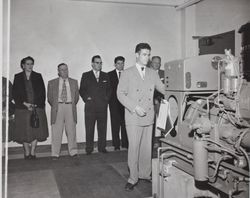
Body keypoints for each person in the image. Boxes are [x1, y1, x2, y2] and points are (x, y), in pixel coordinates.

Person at [117, 43, 165, 191]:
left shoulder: (152, 73)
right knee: (134, 148)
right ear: (137, 55)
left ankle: (145, 174)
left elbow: (163, 89)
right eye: (144, 54)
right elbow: (120, 94)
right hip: (133, 116)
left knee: (146, 148)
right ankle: (133, 178)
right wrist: (134, 107)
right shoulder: (127, 73)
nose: (147, 57)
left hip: (149, 116)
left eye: (148, 54)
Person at [12, 56, 48, 159]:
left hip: (36, 108)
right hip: (22, 108)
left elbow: (42, 92)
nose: (30, 66)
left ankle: (32, 152)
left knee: (35, 130)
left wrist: (35, 105)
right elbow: (15, 93)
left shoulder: (38, 76)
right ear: (23, 65)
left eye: (31, 63)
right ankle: (26, 152)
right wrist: (25, 104)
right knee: (24, 131)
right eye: (27, 64)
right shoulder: (18, 77)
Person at [79, 55, 112, 155]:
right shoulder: (86, 75)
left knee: (102, 128)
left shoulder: (105, 75)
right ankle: (89, 148)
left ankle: (102, 147)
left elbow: (110, 90)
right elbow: (82, 90)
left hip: (102, 107)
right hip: (90, 107)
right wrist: (86, 98)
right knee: (89, 128)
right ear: (92, 64)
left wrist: (106, 99)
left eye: (101, 63)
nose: (99, 64)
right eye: (97, 62)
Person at [47, 63, 79, 159]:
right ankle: (55, 153)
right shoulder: (52, 82)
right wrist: (57, 105)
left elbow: (76, 97)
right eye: (62, 70)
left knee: (71, 131)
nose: (64, 71)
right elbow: (49, 98)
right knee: (56, 131)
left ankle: (73, 151)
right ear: (58, 71)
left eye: (66, 69)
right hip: (58, 107)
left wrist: (70, 104)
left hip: (70, 107)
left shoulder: (74, 82)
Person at [108, 56, 128, 151]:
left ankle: (125, 144)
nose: (121, 65)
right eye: (119, 63)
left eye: (122, 63)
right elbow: (108, 90)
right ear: (115, 64)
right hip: (114, 104)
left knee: (125, 124)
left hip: (126, 104)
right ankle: (116, 145)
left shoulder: (128, 74)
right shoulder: (109, 75)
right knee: (115, 124)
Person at [150, 56, 165, 147]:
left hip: (162, 101)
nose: (157, 64)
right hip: (151, 102)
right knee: (151, 123)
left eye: (159, 63)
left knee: (163, 123)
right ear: (151, 63)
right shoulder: (147, 72)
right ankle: (150, 143)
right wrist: (154, 100)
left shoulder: (164, 72)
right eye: (155, 62)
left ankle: (162, 143)